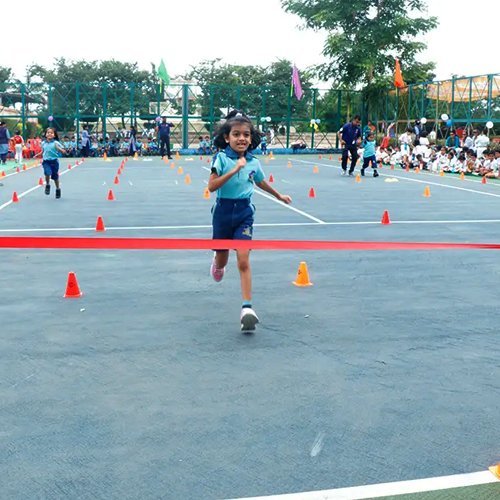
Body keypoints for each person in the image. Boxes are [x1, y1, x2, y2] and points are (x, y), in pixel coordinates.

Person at [208, 110, 292, 332]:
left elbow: (260, 182)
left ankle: (247, 309)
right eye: (236, 134)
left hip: (244, 214)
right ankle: (217, 263)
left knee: (243, 259)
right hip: (223, 213)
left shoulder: (253, 162)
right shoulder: (221, 159)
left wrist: (279, 195)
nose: (241, 138)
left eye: (246, 134)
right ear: (227, 137)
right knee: (222, 262)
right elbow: (212, 186)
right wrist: (234, 169)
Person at [38, 128, 66, 199]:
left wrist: (58, 148)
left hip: (54, 162)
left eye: (51, 133)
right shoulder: (43, 143)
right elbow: (43, 151)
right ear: (45, 134)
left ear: (54, 135)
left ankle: (58, 189)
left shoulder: (56, 143)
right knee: (47, 173)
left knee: (55, 177)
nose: (49, 134)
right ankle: (47, 184)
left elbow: (64, 151)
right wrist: (39, 154)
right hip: (46, 161)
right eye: (48, 133)